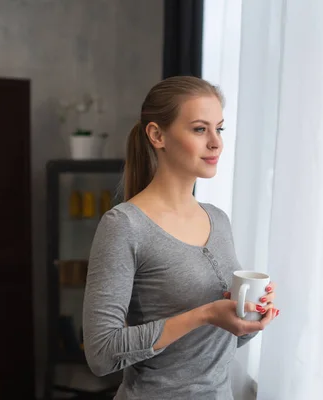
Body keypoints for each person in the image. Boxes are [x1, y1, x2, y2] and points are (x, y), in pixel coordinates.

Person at [83, 76, 279, 399]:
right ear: (157, 135)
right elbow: (101, 353)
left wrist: (250, 315)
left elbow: (216, 345)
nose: (216, 143)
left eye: (220, 128)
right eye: (200, 129)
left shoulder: (218, 220)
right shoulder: (124, 226)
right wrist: (203, 314)